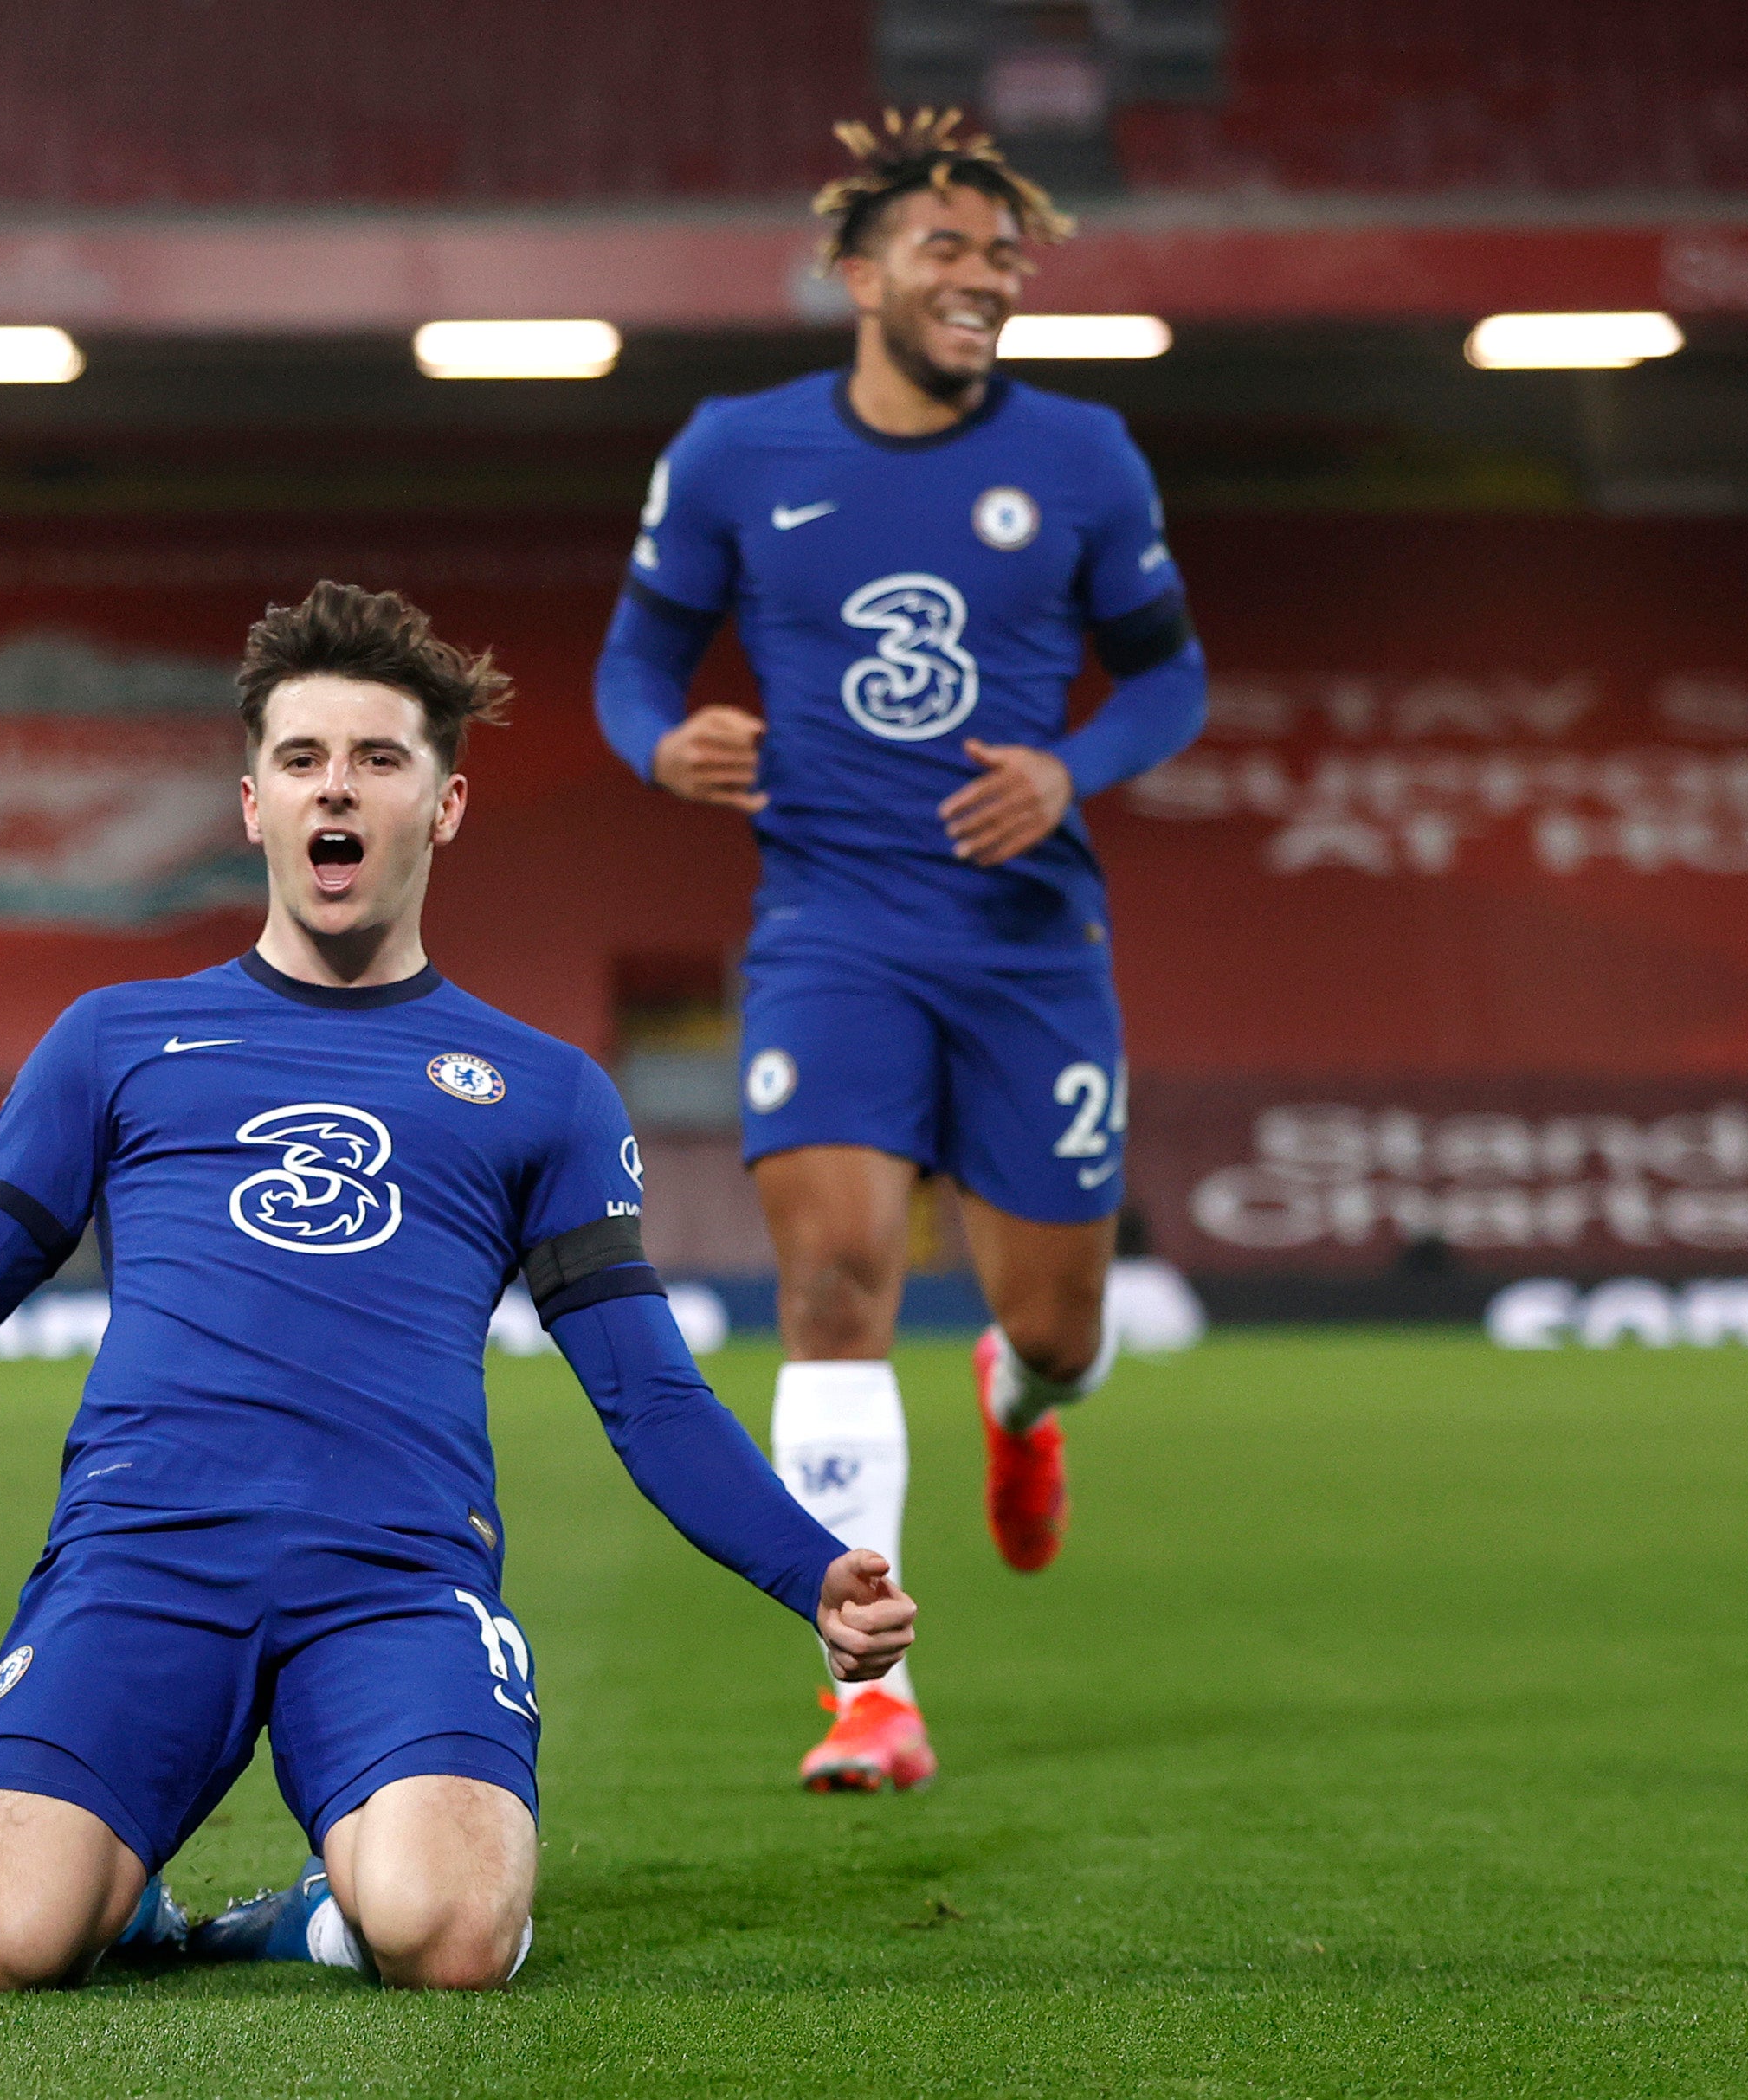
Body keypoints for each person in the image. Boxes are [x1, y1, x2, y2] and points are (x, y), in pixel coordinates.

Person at [0, 583, 916, 1993]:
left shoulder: (545, 1091)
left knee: (453, 1933)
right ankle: (119, 1896)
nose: (338, 789)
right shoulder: (113, 1040)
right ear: (251, 805)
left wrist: (808, 1570)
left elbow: (646, 1392)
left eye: (380, 759)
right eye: (302, 759)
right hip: (141, 1559)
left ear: (445, 806)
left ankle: (312, 1908)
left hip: (395, 1575)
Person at [592, 111, 1207, 1795]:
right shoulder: (732, 452)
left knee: (1064, 1325)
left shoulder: (1083, 457)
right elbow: (628, 665)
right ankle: (868, 1690)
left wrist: (1068, 767)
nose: (984, 280)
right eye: (947, 250)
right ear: (856, 273)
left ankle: (1022, 1398)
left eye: (1003, 257)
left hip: (1027, 944)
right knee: (832, 1285)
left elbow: (1169, 680)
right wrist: (662, 745)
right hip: (826, 927)